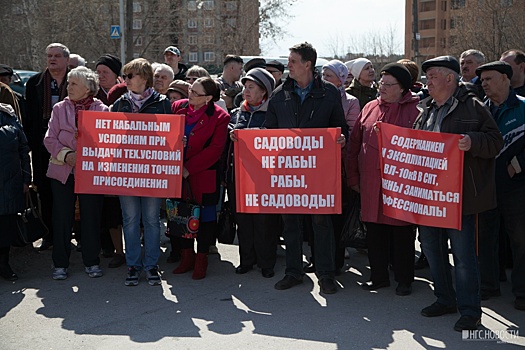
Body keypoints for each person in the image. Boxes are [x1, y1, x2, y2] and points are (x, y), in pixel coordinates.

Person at [414, 56, 503, 331]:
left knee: (463, 257)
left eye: (432, 77)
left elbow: (494, 142)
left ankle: (469, 311)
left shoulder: (473, 107)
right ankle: (444, 299)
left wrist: (471, 142)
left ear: (449, 79)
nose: (427, 82)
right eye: (427, 77)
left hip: (460, 197)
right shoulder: (425, 110)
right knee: (432, 249)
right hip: (430, 195)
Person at [265, 42, 348, 294]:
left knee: (321, 222)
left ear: (307, 64)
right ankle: (293, 271)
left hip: (319, 170)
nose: (288, 65)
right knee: (291, 222)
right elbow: (269, 132)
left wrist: (341, 138)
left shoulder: (329, 94)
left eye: (292, 61)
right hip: (288, 171)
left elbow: (341, 127)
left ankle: (326, 273)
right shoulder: (280, 94)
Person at [347, 63, 420, 296]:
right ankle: (378, 277)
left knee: (402, 233)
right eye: (381, 83)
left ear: (402, 88)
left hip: (402, 184)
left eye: (389, 85)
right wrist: (353, 177)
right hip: (371, 182)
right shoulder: (369, 107)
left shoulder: (416, 110)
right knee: (375, 232)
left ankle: (404, 279)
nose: (382, 88)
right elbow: (354, 145)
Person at [110, 58, 172, 286]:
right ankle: (133, 265)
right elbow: (108, 137)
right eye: (125, 76)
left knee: (152, 219)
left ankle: (152, 265)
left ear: (144, 79)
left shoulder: (163, 103)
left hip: (153, 172)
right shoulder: (119, 104)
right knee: (130, 219)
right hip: (127, 171)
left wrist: (177, 141)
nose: (125, 80)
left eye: (130, 76)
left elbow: (170, 135)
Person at [43, 66, 109, 280]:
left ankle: (92, 261)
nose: (68, 87)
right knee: (61, 218)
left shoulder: (102, 110)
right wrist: (67, 154)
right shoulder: (59, 108)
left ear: (88, 88)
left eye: (73, 84)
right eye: (69, 83)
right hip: (63, 170)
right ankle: (60, 264)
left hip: (91, 172)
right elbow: (49, 139)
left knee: (91, 217)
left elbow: (108, 141)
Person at [476, 61, 525, 310]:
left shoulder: (523, 107)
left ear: (506, 78)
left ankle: (522, 292)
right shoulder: (480, 111)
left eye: (489, 78)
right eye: (482, 80)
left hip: (517, 186)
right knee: (485, 236)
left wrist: (516, 165)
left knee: (520, 239)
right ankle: (489, 285)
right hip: (486, 186)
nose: (484, 84)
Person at [171, 77, 229, 280]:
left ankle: (202, 258)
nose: (190, 95)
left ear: (209, 98)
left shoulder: (220, 116)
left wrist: (189, 168)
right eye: (190, 90)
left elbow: (215, 150)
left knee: (205, 218)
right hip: (178, 173)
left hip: (204, 174)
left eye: (196, 93)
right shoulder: (177, 107)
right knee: (182, 214)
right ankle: (186, 257)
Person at [227, 68, 278, 278]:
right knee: (243, 220)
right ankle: (246, 259)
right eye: (245, 87)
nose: (246, 91)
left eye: (251, 87)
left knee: (264, 221)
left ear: (264, 91)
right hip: (239, 175)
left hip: (264, 176)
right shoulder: (238, 112)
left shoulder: (273, 114)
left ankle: (267, 263)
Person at [25, 43, 70, 252]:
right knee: (45, 190)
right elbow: (29, 118)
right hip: (43, 146)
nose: (52, 59)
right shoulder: (35, 83)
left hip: (69, 147)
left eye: (57, 56)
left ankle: (69, 233)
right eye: (49, 55)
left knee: (68, 191)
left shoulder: (75, 80)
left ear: (66, 60)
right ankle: (49, 235)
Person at [0, 103, 31, 281]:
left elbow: (23, 149)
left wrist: (27, 179)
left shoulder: (8, 115)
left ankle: (4, 264)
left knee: (5, 228)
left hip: (9, 184)